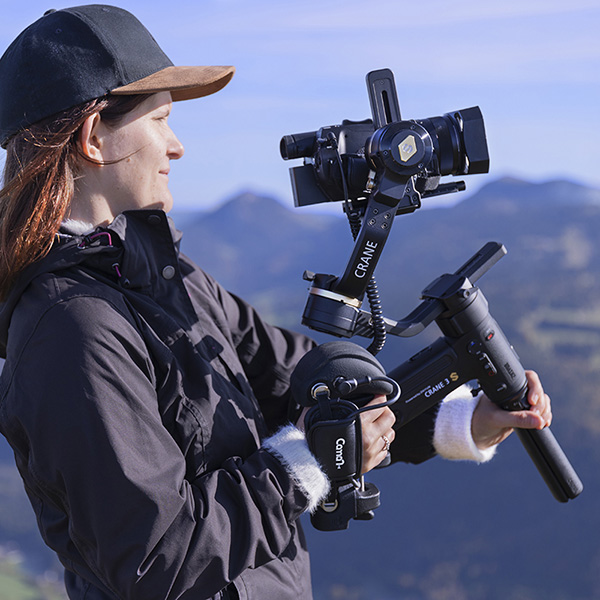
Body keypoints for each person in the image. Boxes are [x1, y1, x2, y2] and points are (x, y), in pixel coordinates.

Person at [0, 6, 552, 600]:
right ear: (93, 139)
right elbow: (154, 558)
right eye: (160, 119)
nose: (177, 145)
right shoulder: (71, 332)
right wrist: (304, 465)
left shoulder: (168, 277)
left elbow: (301, 381)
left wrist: (457, 420)